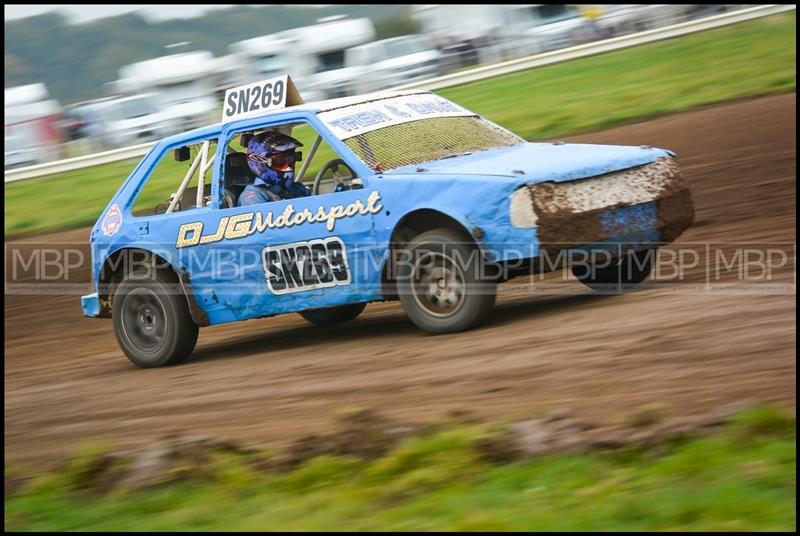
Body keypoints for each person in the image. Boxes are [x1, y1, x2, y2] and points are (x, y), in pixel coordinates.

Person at [238, 131, 311, 206]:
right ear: (257, 163)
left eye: (291, 159)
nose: (288, 167)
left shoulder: (295, 188)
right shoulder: (253, 198)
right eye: (280, 162)